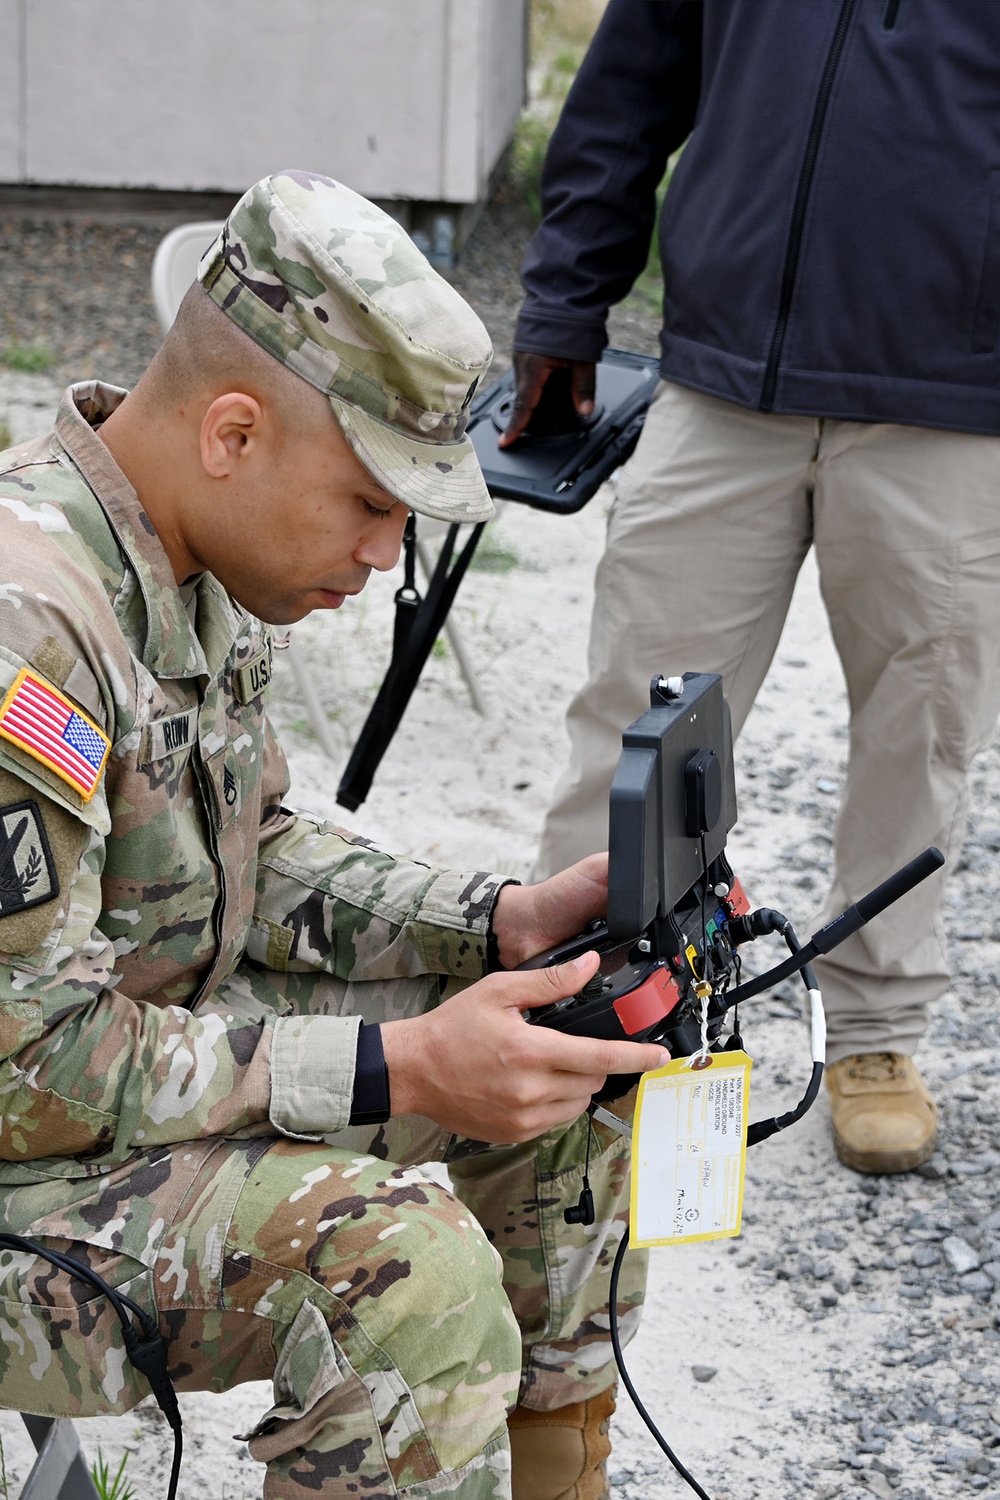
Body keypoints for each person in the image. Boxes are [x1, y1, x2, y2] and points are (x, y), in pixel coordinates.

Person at [0, 171, 667, 1500]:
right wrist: (401, 1064)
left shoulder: (190, 561)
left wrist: (493, 921)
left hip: (132, 1081)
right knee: (401, 1265)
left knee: (572, 1055)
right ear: (233, 434)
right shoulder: (32, 628)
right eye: (369, 502)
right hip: (28, 1163)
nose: (384, 552)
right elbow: (30, 1059)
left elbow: (261, 851)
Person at [503, 0, 1000, 1177]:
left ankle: (874, 1030)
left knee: (917, 729)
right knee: (640, 718)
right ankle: (582, 995)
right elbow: (629, 88)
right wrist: (566, 302)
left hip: (955, 408)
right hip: (720, 384)